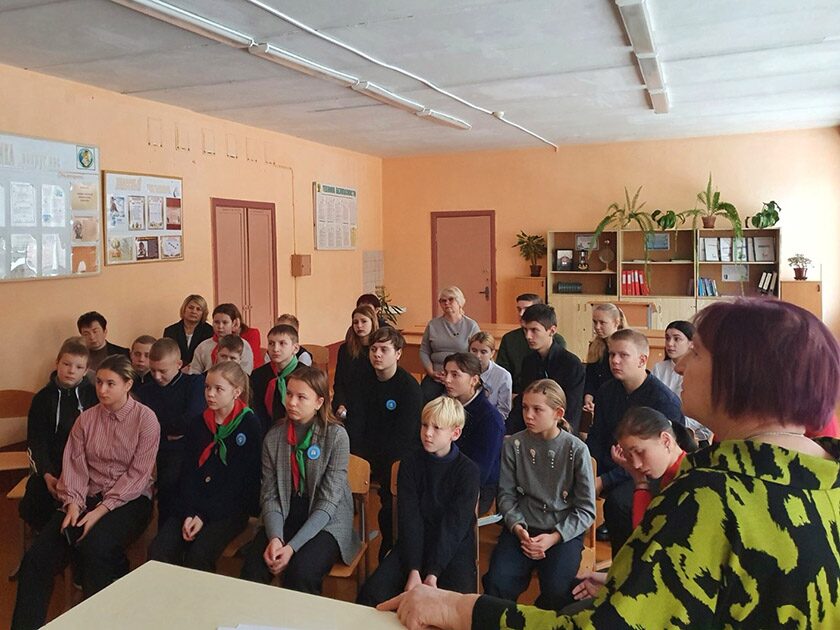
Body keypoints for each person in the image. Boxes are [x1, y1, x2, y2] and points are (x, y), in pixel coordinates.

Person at [378, 298, 840, 629]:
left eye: (695, 353)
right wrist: (629, 581)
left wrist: (455, 608)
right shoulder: (825, 477)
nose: (679, 366)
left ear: (740, 376)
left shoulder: (710, 498)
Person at [12, 356, 159, 630]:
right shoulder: (86, 419)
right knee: (36, 559)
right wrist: (73, 505)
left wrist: (100, 511)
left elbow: (138, 475)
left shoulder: (146, 419)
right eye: (99, 382)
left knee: (95, 548)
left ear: (128, 384)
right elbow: (75, 466)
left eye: (111, 384)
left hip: (129, 500)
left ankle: (99, 623)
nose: (102, 389)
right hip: (85, 496)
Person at [240, 367, 360, 595]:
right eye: (289, 394)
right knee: (254, 568)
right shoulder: (274, 437)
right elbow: (270, 495)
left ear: (319, 402)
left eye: (301, 397)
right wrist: (276, 538)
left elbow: (328, 502)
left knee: (301, 572)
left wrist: (292, 548)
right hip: (287, 511)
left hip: (327, 518)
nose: (292, 402)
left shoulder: (336, 437)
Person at [483, 379, 595, 612]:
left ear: (558, 413)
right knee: (497, 581)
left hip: (562, 532)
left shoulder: (576, 450)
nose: (528, 415)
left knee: (557, 589)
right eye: (525, 407)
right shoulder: (514, 444)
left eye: (537, 409)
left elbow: (586, 510)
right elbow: (506, 496)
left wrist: (553, 537)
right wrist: (518, 529)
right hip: (522, 529)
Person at [357, 396, 480, 607]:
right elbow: (410, 519)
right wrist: (413, 569)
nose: (428, 433)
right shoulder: (410, 463)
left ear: (455, 433)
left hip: (452, 549)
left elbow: (454, 526)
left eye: (436, 428)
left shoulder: (468, 471)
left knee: (457, 606)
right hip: (414, 543)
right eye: (424, 425)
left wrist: (433, 573)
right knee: (371, 594)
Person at [148, 362, 261, 572]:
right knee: (160, 549)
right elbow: (188, 473)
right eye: (207, 387)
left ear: (236, 392)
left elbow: (240, 484)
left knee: (199, 554)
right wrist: (191, 512)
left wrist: (202, 516)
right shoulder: (198, 423)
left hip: (228, 508)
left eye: (219, 389)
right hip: (193, 502)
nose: (210, 394)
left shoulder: (249, 425)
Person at [587, 328, 684, 555]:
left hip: (650, 470)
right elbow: (597, 437)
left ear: (642, 360)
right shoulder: (606, 391)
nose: (615, 361)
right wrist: (588, 469)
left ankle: (627, 559)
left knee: (618, 503)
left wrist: (604, 480)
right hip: (613, 463)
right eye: (612, 354)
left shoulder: (663, 400)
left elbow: (658, 459)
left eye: (623, 355)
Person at [345, 326, 423, 558]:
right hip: (366, 454)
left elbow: (405, 437)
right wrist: (360, 460)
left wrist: (376, 463)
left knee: (391, 507)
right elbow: (355, 425)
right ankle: (345, 543)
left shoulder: (409, 388)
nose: (377, 354)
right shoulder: (360, 381)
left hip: (396, 458)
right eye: (373, 349)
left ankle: (390, 547)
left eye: (384, 350)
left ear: (398, 354)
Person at [20, 337, 97, 531]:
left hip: (86, 468)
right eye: (66, 364)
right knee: (34, 501)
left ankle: (74, 535)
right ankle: (46, 535)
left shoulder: (94, 396)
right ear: (57, 363)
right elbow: (36, 440)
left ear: (86, 370)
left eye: (79, 367)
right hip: (53, 466)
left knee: (89, 502)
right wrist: (47, 474)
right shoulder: (42, 398)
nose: (71, 371)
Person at [137, 338, 205, 526]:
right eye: (153, 370)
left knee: (173, 478)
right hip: (154, 451)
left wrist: (160, 427)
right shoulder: (145, 391)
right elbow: (143, 427)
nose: (157, 376)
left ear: (179, 364)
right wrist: (167, 430)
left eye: (163, 371)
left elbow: (192, 419)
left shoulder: (194, 384)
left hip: (186, 450)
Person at [507, 304, 585, 435]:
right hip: (531, 430)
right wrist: (508, 432)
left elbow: (572, 411)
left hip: (559, 433)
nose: (528, 336)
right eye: (525, 330)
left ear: (552, 331)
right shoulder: (529, 361)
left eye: (534, 330)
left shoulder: (571, 364)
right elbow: (522, 401)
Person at [442, 353, 504, 514]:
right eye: (446, 373)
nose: (447, 380)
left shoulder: (490, 419)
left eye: (455, 375)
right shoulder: (445, 406)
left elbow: (480, 472)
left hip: (476, 489)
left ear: (474, 380)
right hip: (444, 478)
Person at [651, 320, 713, 445]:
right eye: (667, 338)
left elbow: (702, 413)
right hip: (661, 429)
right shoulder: (659, 368)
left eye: (677, 339)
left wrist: (679, 424)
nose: (670, 343)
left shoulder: (700, 371)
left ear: (691, 343)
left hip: (692, 433)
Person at [419, 286, 480, 402]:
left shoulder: (471, 325)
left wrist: (457, 374)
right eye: (443, 301)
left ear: (459, 301)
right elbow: (424, 350)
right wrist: (431, 372)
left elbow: (475, 354)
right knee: (423, 398)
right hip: (436, 375)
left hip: (460, 376)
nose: (446, 303)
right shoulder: (433, 325)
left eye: (451, 299)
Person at [496, 294, 566, 395]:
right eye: (519, 309)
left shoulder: (558, 341)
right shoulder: (509, 339)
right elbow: (503, 371)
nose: (521, 314)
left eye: (526, 309)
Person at [250, 324, 303, 435]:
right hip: (266, 432)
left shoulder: (306, 376)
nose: (275, 349)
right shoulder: (258, 375)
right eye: (271, 343)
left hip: (299, 431)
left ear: (295, 348)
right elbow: (256, 410)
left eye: (282, 343)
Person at [333, 304, 378, 417]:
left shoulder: (378, 350)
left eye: (364, 321)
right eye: (355, 322)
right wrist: (341, 404)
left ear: (372, 322)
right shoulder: (345, 349)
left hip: (372, 402)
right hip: (349, 402)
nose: (359, 326)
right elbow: (339, 381)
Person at [582, 304, 626, 414]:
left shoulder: (626, 347)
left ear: (616, 322)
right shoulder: (594, 346)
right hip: (599, 400)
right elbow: (590, 377)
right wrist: (588, 397)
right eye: (595, 322)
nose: (597, 327)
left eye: (602, 323)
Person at [189, 303, 254, 375]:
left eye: (225, 322)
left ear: (233, 323)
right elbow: (194, 371)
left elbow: (246, 373)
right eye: (216, 322)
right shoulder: (203, 346)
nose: (220, 326)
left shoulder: (243, 345)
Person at [469, 332, 513, 419]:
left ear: (492, 353)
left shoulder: (503, 376)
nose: (477, 356)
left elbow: (503, 410)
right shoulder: (462, 371)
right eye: (474, 351)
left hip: (491, 419)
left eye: (483, 352)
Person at [163, 294, 214, 365]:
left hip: (201, 369)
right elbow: (168, 355)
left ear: (203, 313)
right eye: (191, 308)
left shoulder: (210, 331)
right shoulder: (170, 331)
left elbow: (208, 357)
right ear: (184, 309)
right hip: (177, 368)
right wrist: (182, 367)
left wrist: (191, 367)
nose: (194, 311)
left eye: (198, 309)